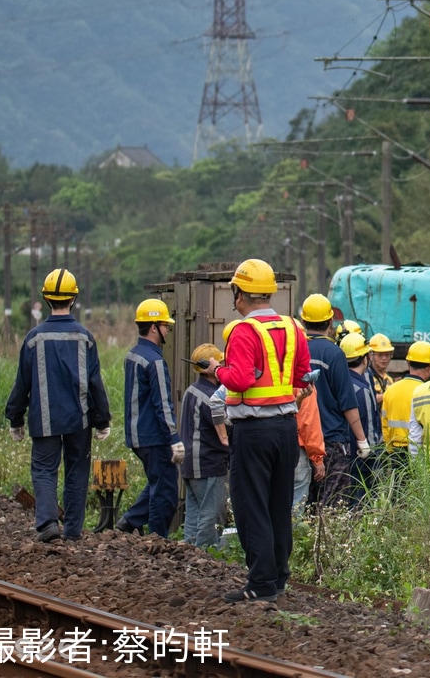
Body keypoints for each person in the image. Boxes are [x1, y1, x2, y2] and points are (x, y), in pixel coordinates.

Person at [200, 258, 312, 603]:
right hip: (285, 429)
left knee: (251, 506)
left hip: (253, 429)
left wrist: (218, 371)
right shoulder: (293, 328)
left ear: (239, 294)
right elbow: (302, 377)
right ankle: (278, 577)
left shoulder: (242, 331)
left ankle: (260, 582)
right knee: (279, 505)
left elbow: (241, 378)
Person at [6, 268, 111, 543]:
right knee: (77, 470)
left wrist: (15, 418)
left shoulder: (33, 338)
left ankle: (48, 524)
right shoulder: (85, 338)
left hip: (45, 420)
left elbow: (22, 384)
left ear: (46, 297)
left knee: (43, 470)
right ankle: (73, 530)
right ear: (73, 299)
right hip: (80, 420)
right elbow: (95, 383)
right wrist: (103, 420)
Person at [300, 294, 372, 507]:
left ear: (303, 322)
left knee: (305, 504)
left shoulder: (297, 350)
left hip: (301, 441)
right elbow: (347, 402)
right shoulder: (334, 354)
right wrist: (361, 439)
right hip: (331, 442)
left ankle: (304, 540)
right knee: (332, 503)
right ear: (330, 322)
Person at [117, 298, 181, 538]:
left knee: (157, 481)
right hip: (154, 436)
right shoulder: (154, 360)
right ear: (154, 327)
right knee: (165, 491)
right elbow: (162, 404)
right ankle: (157, 540)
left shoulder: (133, 355)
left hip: (136, 435)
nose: (167, 330)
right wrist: (173, 437)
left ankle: (130, 521)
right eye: (165, 325)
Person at [180, 343, 230, 549]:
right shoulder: (212, 397)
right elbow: (228, 426)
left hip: (190, 464)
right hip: (209, 464)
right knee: (211, 517)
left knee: (194, 516)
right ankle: (205, 559)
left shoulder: (192, 390)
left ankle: (188, 558)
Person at [341, 332, 381, 502]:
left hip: (343, 451)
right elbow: (369, 425)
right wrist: (373, 451)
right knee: (360, 499)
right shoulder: (362, 389)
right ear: (365, 358)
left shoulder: (341, 383)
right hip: (361, 455)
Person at [382, 341, 430, 457]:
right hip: (419, 449)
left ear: (408, 362)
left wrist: (389, 450)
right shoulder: (427, 392)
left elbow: (384, 424)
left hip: (396, 451)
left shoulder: (390, 390)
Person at [292, 373, 325, 517]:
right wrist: (317, 458)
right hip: (296, 449)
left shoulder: (268, 374)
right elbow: (308, 422)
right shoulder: (303, 381)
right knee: (295, 507)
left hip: (265, 445)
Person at [367, 333, 395, 406]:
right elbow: (367, 400)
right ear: (371, 355)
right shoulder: (366, 376)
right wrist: (389, 395)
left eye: (387, 354)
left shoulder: (389, 379)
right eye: (380, 355)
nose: (384, 358)